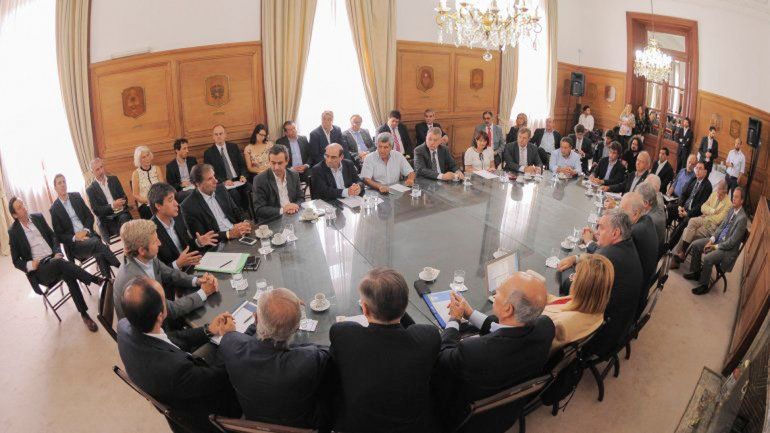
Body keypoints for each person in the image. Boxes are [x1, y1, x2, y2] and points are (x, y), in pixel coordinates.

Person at [116, 276, 240, 432]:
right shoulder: (174, 368)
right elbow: (217, 378)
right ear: (160, 316)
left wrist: (208, 330)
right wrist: (230, 338)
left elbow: (169, 340)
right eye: (164, 299)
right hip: (209, 411)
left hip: (178, 388)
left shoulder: (124, 326)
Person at [435, 272, 554, 432]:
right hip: (508, 411)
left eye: (498, 292)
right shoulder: (546, 328)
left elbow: (444, 355)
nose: (496, 290)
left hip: (465, 418)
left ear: (507, 309)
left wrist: (454, 319)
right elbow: (504, 330)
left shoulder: (475, 351)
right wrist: (470, 314)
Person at [329, 268, 440, 433]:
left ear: (364, 309)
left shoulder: (343, 335)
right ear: (405, 305)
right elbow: (415, 330)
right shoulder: (428, 337)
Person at [219, 287, 330, 428]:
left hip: (255, 422)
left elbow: (232, 337)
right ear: (296, 328)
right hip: (302, 425)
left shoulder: (230, 344)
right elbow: (327, 352)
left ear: (255, 318)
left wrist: (261, 321)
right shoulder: (308, 359)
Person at [8, 197, 102, 331]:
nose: (24, 207)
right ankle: (95, 280)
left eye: (23, 204)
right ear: (14, 215)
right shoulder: (14, 232)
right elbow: (16, 260)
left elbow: (53, 236)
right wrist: (30, 265)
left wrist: (57, 251)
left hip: (55, 259)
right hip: (40, 268)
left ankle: (84, 314)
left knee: (66, 271)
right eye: (19, 207)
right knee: (63, 265)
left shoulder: (37, 217)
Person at [558, 209, 642, 357]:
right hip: (622, 323)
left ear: (615, 233)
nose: (596, 232)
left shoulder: (608, 257)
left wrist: (564, 270)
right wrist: (576, 258)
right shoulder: (626, 244)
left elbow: (573, 288)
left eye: (601, 228)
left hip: (601, 334)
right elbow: (598, 251)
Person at [113, 219, 219, 319]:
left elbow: (171, 274)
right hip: (149, 331)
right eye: (155, 241)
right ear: (142, 250)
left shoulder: (146, 257)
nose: (160, 243)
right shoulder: (137, 284)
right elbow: (169, 310)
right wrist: (204, 292)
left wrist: (197, 280)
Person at [50, 174, 119, 279]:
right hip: (75, 244)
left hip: (88, 235)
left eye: (64, 181)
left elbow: (89, 216)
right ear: (55, 188)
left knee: (98, 251)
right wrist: (75, 237)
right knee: (97, 243)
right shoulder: (54, 209)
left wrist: (86, 231)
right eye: (59, 183)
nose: (63, 185)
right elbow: (59, 235)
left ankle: (107, 281)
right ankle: (120, 266)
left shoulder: (76, 196)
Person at [686, 187, 748, 295]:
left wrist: (714, 247)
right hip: (718, 241)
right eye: (733, 197)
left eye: (736, 197)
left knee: (708, 258)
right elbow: (721, 227)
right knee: (695, 245)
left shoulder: (742, 219)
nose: (733, 199)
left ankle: (704, 285)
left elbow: (731, 243)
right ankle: (696, 273)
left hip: (727, 250)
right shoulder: (731, 210)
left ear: (742, 200)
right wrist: (711, 240)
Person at [544, 254, 613, 351]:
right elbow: (561, 302)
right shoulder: (592, 305)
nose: (572, 277)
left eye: (575, 274)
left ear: (582, 287)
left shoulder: (561, 325)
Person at [148, 182, 218, 270]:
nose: (176, 204)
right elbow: (156, 271)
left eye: (175, 199)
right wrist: (177, 264)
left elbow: (187, 246)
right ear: (158, 206)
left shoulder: (178, 217)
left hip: (192, 266)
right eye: (170, 200)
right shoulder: (150, 232)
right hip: (174, 277)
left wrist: (198, 242)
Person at [180, 163, 251, 242]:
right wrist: (229, 234)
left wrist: (245, 222)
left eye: (214, 176)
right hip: (219, 242)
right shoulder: (188, 206)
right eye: (210, 179)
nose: (216, 181)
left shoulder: (220, 189)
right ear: (198, 183)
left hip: (237, 232)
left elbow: (236, 211)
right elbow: (203, 237)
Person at [670, 180, 731, 268]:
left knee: (689, 232)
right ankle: (682, 253)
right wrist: (712, 211)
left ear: (725, 192)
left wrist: (707, 214)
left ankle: (676, 257)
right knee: (691, 222)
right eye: (717, 191)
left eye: (720, 193)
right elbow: (703, 207)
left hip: (711, 227)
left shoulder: (729, 204)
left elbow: (718, 220)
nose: (718, 194)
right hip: (704, 218)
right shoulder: (714, 194)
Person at [618, 192, 658, 314]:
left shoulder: (635, 232)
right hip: (641, 286)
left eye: (622, 211)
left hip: (629, 298)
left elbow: (613, 256)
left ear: (635, 214)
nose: (619, 215)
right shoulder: (647, 220)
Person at [203, 125, 250, 211]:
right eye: (216, 134)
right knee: (234, 194)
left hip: (239, 180)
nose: (218, 136)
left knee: (250, 189)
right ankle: (241, 218)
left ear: (225, 135)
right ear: (213, 137)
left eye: (220, 133)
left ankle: (254, 216)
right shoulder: (208, 153)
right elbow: (210, 174)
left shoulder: (233, 147)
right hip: (224, 183)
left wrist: (243, 175)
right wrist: (224, 181)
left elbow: (242, 165)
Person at [253, 145, 304, 221]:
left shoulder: (294, 175)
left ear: (287, 161)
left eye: (280, 163)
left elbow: (301, 198)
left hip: (294, 214)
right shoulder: (260, 179)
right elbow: (259, 209)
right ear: (269, 161)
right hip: (273, 219)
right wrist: (283, 210)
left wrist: (295, 206)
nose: (276, 167)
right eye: (273, 163)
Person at [86, 157, 132, 238]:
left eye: (102, 167)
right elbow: (96, 210)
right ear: (92, 172)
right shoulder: (90, 189)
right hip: (107, 218)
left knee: (125, 218)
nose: (101, 171)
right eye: (97, 169)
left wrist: (122, 202)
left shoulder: (114, 179)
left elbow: (124, 197)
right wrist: (112, 206)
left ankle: (128, 243)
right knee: (117, 226)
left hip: (121, 212)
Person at [667, 162, 712, 231]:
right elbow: (683, 194)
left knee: (684, 222)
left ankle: (671, 240)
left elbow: (701, 205)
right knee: (670, 207)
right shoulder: (693, 179)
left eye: (700, 168)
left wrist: (688, 213)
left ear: (705, 172)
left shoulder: (707, 186)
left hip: (693, 213)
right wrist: (680, 206)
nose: (697, 170)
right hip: (683, 208)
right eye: (696, 168)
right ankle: (666, 227)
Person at [131, 145, 162, 219]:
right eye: (143, 157)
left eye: (148, 155)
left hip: (158, 200)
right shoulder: (136, 174)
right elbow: (136, 195)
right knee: (149, 211)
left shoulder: (157, 169)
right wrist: (149, 201)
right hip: (144, 203)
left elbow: (162, 187)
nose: (147, 159)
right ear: (139, 160)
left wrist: (157, 200)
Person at [638, 179, 666, 256]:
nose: (635, 202)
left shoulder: (648, 222)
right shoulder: (654, 207)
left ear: (646, 203)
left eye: (637, 199)